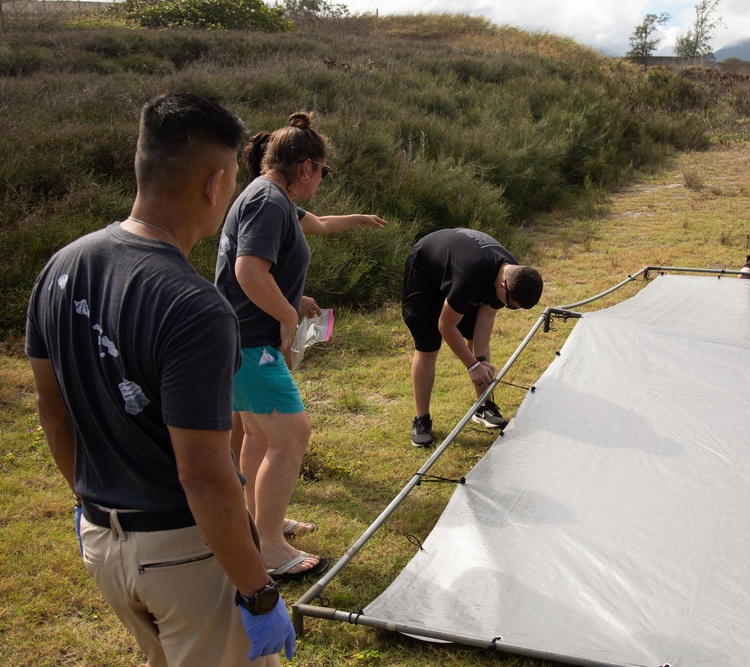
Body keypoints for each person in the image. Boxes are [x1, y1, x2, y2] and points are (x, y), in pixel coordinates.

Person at [26, 93, 294, 666]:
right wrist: (258, 590)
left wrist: (89, 501)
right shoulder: (195, 306)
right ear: (214, 183)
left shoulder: (59, 268)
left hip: (103, 544)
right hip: (184, 556)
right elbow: (204, 473)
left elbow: (53, 412)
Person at [215, 111, 386, 581]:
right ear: (307, 166)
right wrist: (287, 316)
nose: (321, 181)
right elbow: (248, 271)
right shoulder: (269, 202)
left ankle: (260, 522)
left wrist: (293, 296)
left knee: (260, 435)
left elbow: (278, 260)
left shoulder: (270, 198)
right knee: (292, 438)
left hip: (240, 340)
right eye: (323, 172)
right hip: (253, 345)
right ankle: (269, 547)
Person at [402, 227, 544, 447]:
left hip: (461, 267)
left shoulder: (513, 273)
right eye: (510, 305)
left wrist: (481, 361)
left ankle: (484, 407)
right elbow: (446, 325)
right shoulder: (468, 277)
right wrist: (471, 365)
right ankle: (421, 420)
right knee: (428, 346)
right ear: (503, 285)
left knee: (475, 341)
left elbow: (486, 318)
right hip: (425, 270)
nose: (508, 308)